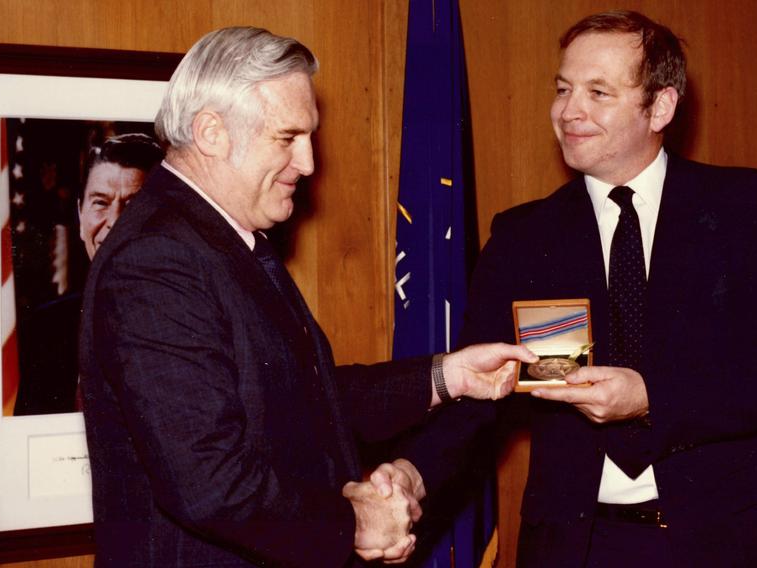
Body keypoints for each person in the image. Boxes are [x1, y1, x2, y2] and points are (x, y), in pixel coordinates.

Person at [78, 26, 536, 568]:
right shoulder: (157, 260)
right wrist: (358, 523)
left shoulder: (219, 239)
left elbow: (301, 400)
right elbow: (209, 482)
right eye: (287, 137)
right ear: (211, 132)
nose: (309, 163)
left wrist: (446, 377)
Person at [390, 10, 757, 567]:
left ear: (661, 107)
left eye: (598, 92)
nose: (569, 110)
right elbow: (482, 393)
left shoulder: (747, 209)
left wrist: (651, 398)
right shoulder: (524, 235)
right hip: (580, 546)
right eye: (563, 88)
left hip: (737, 542)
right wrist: (411, 473)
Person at [13, 133, 163, 415]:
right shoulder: (42, 331)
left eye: (134, 206)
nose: (115, 223)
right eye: (100, 203)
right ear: (80, 216)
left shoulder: (195, 322)